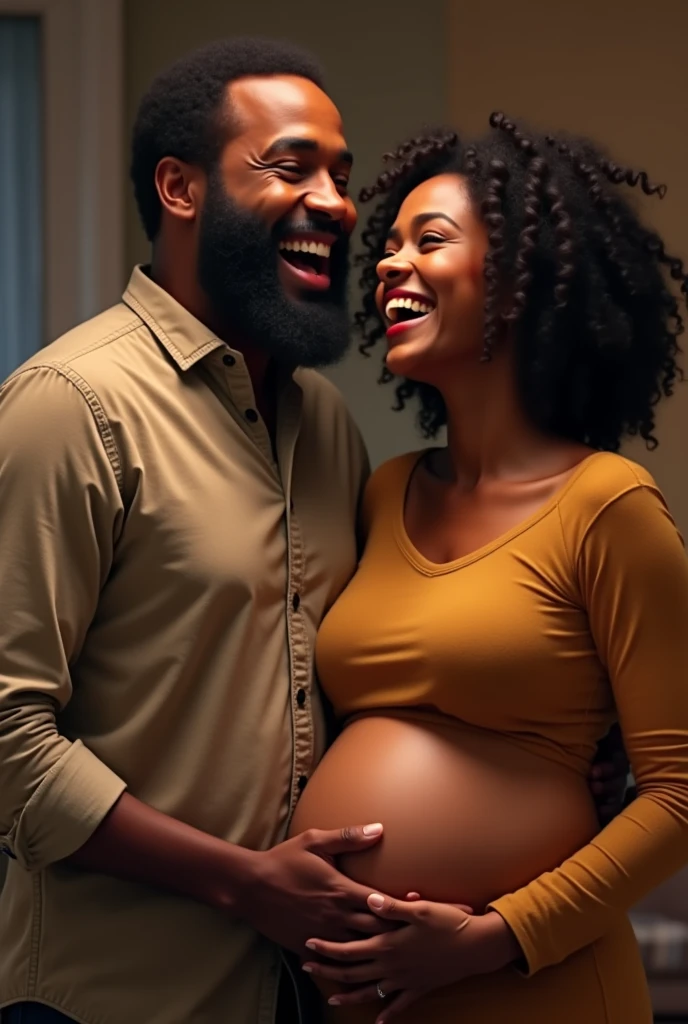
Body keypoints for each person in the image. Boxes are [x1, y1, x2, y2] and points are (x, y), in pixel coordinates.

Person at [0, 35, 626, 1023]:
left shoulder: (325, 428)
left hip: (298, 998)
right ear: (180, 187)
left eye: (341, 175)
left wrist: (542, 748)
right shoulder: (71, 406)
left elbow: (337, 676)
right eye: (290, 167)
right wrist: (244, 880)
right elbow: (9, 736)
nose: (337, 204)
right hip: (112, 996)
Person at [288, 114, 688, 1023]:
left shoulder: (607, 506)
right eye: (387, 247)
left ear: (524, 284)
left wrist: (492, 936)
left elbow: (679, 794)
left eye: (430, 241)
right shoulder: (384, 493)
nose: (390, 264)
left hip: (533, 989)